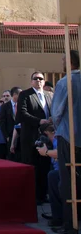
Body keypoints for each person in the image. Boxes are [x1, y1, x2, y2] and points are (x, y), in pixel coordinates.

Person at [51, 50, 81, 234]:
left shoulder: (65, 82)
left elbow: (57, 112)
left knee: (68, 182)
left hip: (68, 136)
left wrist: (56, 128)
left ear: (69, 62)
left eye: (63, 60)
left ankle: (71, 225)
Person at [16, 71, 53, 204]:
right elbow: (21, 114)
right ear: (31, 81)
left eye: (41, 79)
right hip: (31, 137)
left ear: (44, 81)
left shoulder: (49, 95)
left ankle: (43, 195)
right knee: (33, 167)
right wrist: (39, 121)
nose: (38, 81)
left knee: (45, 166)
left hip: (47, 137)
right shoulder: (25, 95)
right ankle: (34, 196)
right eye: (35, 78)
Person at [35, 123, 62, 229]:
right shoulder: (52, 142)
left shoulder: (58, 140)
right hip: (57, 169)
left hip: (64, 171)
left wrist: (46, 152)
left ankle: (58, 218)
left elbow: (60, 153)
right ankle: (56, 214)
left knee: (52, 176)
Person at [0, 87, 22, 161]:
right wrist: (6, 136)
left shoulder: (22, 105)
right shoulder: (5, 106)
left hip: (21, 134)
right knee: (11, 155)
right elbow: (2, 122)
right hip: (10, 134)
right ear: (14, 95)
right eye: (20, 94)